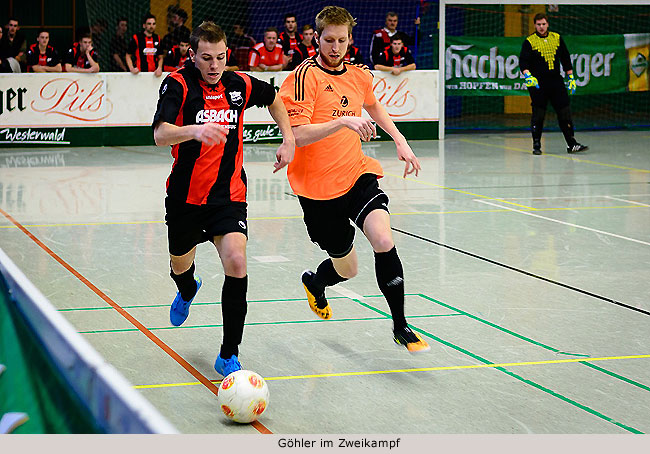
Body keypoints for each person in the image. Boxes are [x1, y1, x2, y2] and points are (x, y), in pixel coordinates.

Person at [279, 6, 430, 354]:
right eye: (328, 40)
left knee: (383, 238)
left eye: (342, 40)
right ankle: (316, 282)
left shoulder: (359, 75)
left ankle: (401, 326)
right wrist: (343, 121)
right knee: (348, 269)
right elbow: (297, 135)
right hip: (317, 190)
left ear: (350, 40)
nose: (335, 48)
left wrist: (400, 139)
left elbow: (373, 105)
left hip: (356, 173)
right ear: (317, 39)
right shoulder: (303, 77)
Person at [152, 21, 295, 377]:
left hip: (228, 197)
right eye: (206, 58)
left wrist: (289, 139)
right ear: (192, 55)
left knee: (237, 261)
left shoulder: (239, 84)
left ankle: (229, 353)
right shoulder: (178, 84)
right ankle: (188, 288)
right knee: (180, 266)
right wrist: (195, 130)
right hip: (185, 198)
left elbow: (274, 98)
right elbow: (160, 133)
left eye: (220, 57)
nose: (214, 65)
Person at [519, 13, 588, 155]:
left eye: (543, 24)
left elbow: (565, 58)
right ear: (534, 25)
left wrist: (571, 77)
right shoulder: (529, 41)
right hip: (538, 83)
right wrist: (528, 75)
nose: (541, 27)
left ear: (548, 24)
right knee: (538, 114)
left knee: (565, 112)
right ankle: (536, 145)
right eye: (539, 24)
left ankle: (571, 144)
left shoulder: (556, 38)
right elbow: (523, 61)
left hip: (556, 81)